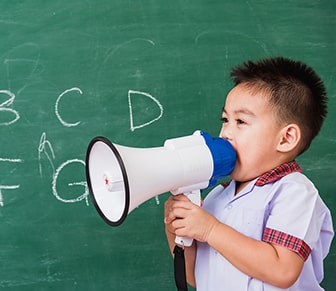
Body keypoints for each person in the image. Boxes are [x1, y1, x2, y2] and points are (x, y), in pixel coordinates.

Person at [164, 57, 334, 290]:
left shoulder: (294, 191)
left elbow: (282, 270)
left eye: (240, 121)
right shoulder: (217, 197)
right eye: (225, 120)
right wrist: (177, 228)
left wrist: (210, 229)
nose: (225, 133)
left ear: (286, 138)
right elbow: (194, 276)